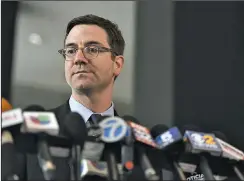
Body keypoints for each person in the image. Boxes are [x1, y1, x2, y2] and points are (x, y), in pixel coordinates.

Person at [18, 14, 148, 180]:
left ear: (117, 64)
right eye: (71, 51)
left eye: (92, 49)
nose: (79, 59)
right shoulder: (31, 135)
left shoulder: (140, 147)